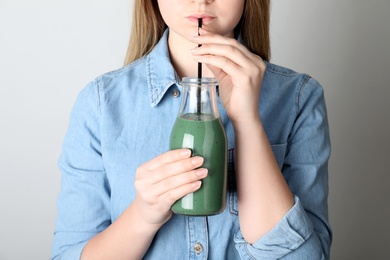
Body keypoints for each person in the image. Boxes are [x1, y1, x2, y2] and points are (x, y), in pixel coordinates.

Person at [51, 0, 332, 259]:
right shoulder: (100, 104)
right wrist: (143, 215)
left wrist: (248, 123)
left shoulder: (298, 98)